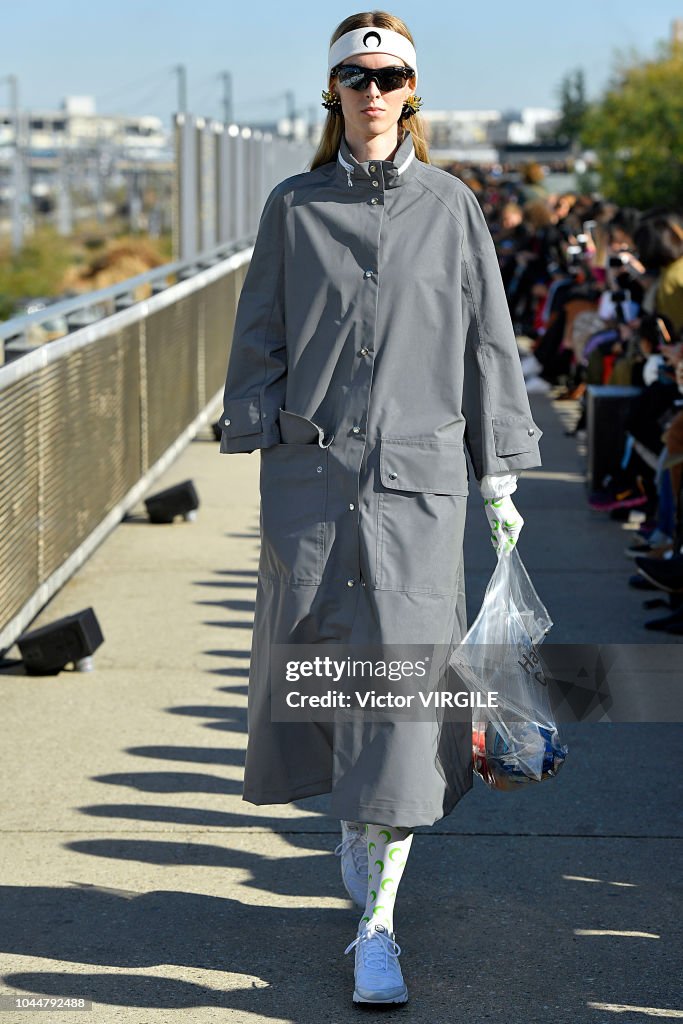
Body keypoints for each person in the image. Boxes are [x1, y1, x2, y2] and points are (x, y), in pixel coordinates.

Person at [219, 9, 543, 1006]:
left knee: (400, 711)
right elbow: (257, 335)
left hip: (419, 494)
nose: (371, 91)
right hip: (312, 497)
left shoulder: (452, 206)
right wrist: (272, 425)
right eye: (355, 76)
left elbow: (489, 342)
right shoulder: (292, 205)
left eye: (389, 74)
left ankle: (377, 928)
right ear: (332, 92)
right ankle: (359, 848)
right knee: (331, 693)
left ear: (412, 90)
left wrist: (500, 473)